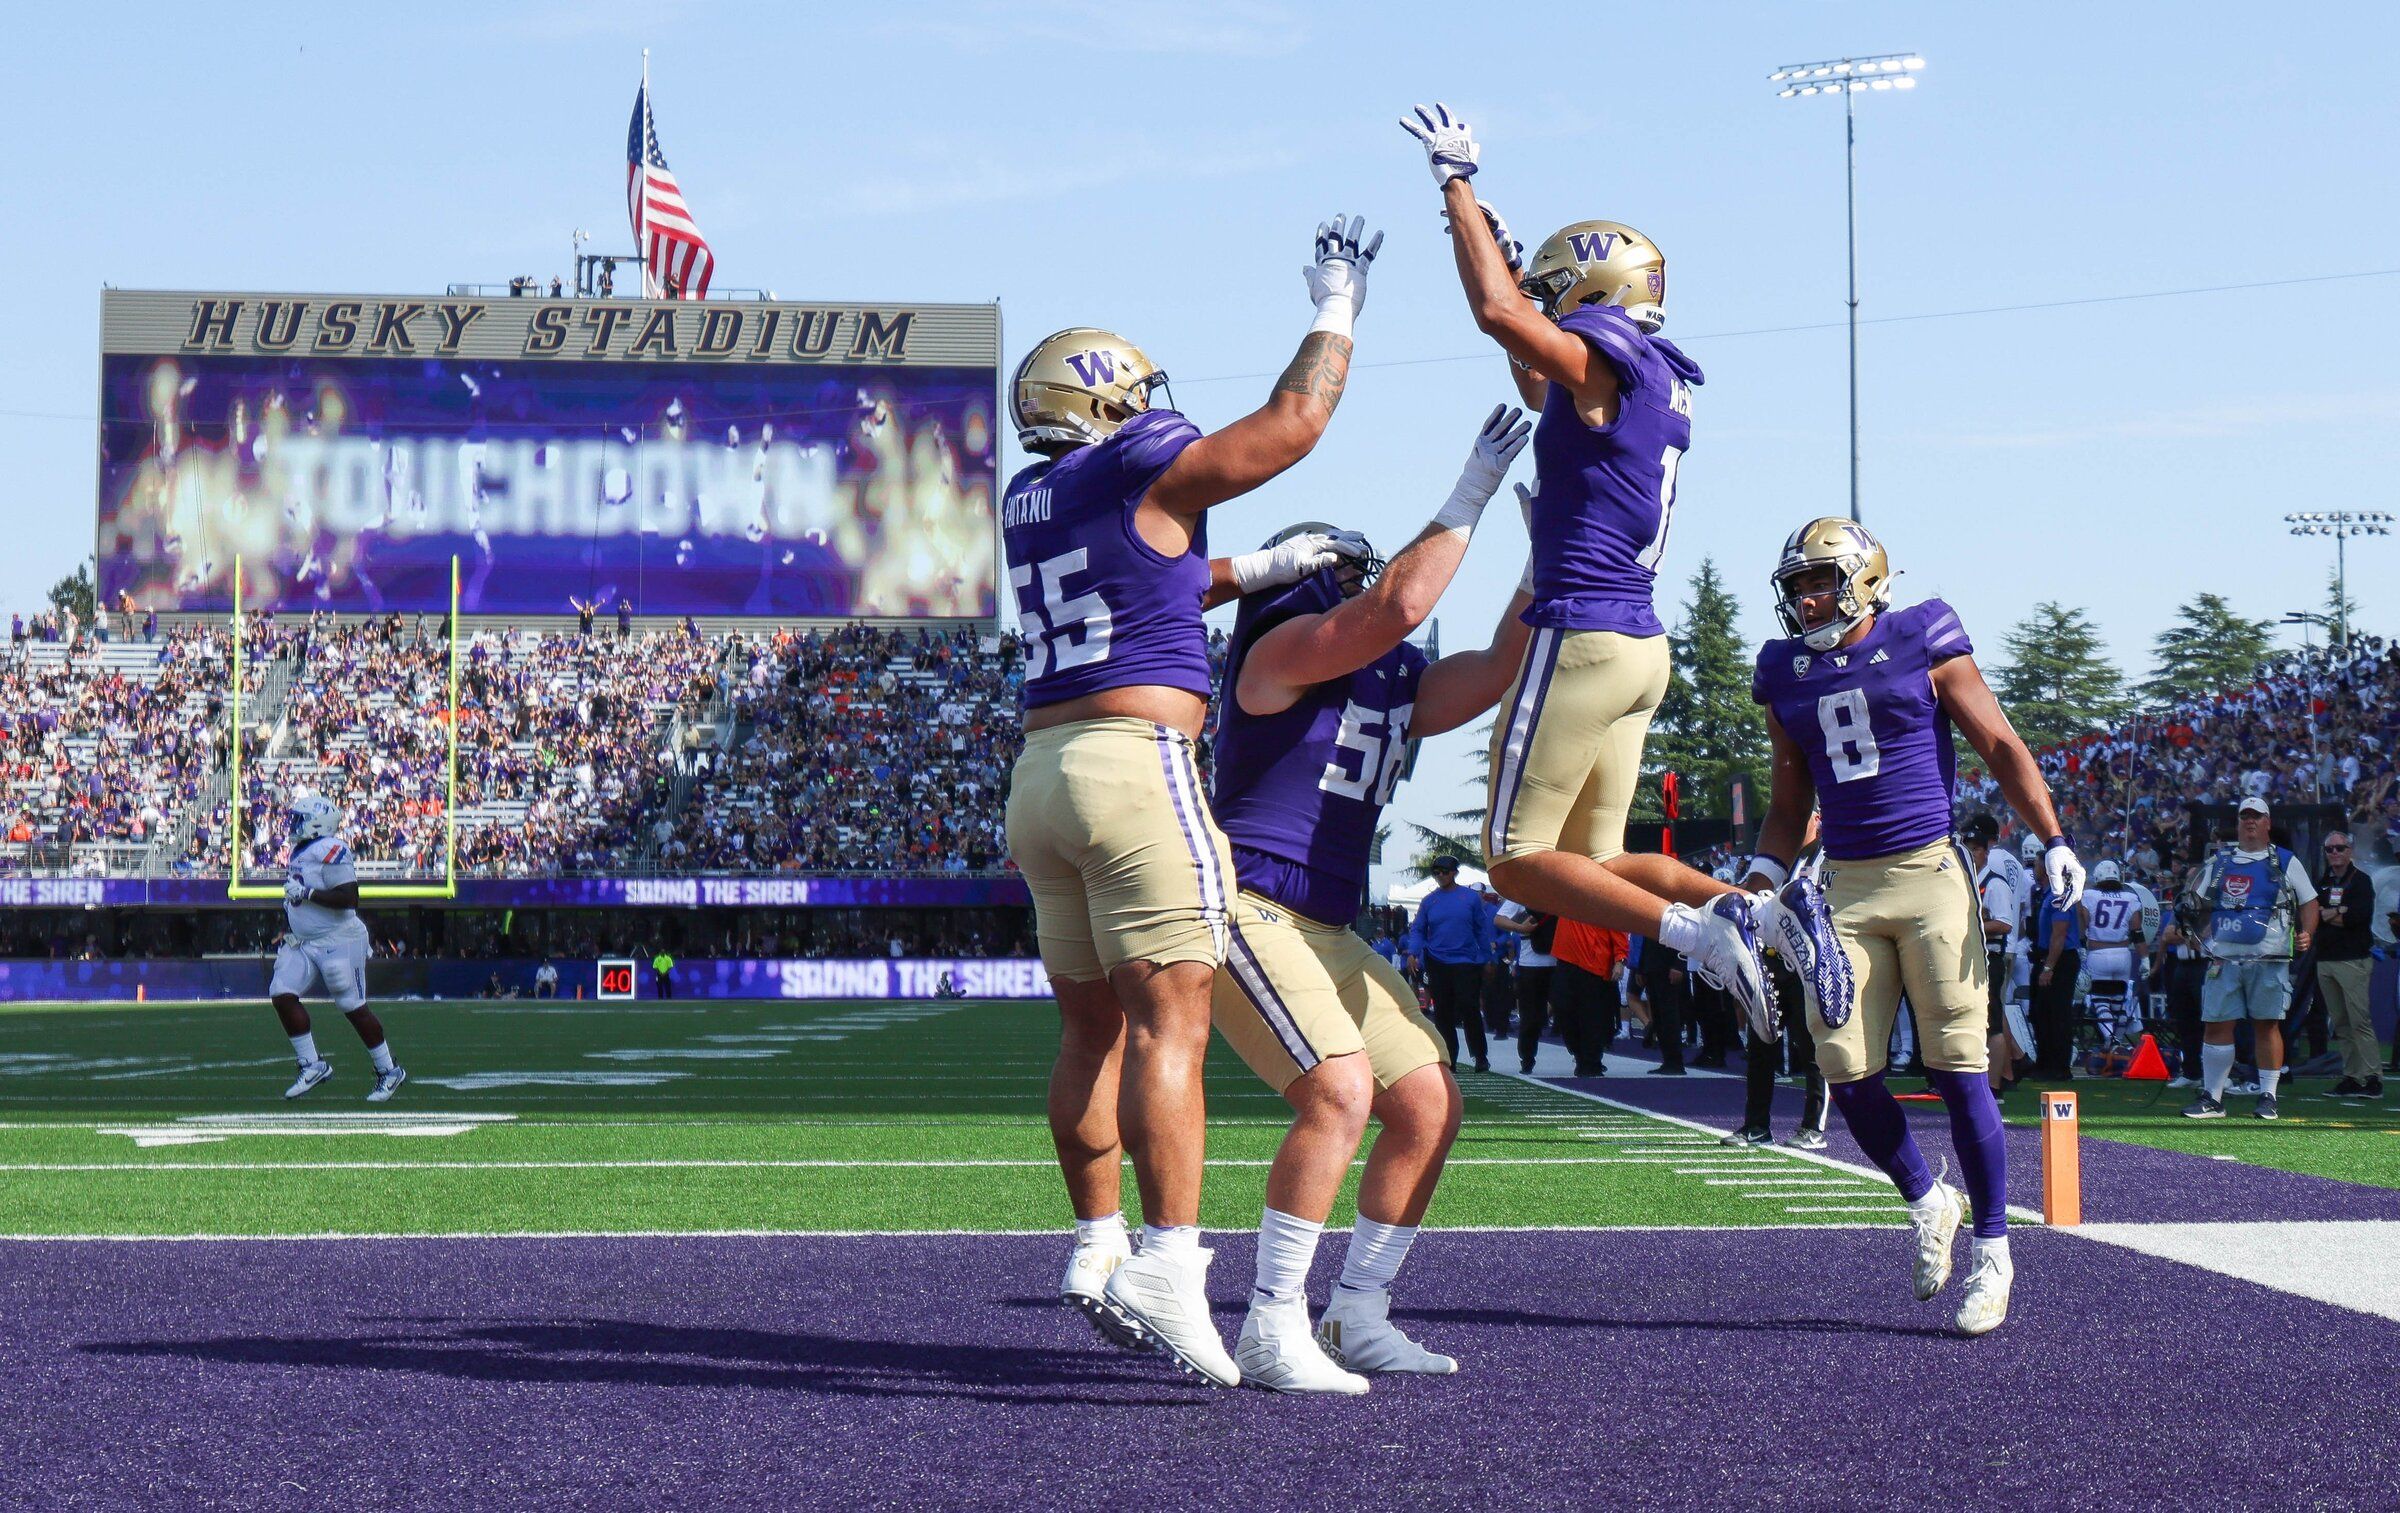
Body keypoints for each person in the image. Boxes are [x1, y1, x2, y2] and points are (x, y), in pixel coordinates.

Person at [1005, 215, 1384, 1389]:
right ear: (1108, 402)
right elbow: (1293, 427)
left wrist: (1261, 569)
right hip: (1137, 762)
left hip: (1042, 775)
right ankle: (1170, 1265)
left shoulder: (1032, 496)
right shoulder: (1132, 459)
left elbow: (1156, 573)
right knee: (1172, 1021)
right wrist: (1336, 306)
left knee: (1090, 1029)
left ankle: (1096, 1239)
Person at [1397, 100, 1786, 1027]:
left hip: (1581, 629)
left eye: (1563, 288)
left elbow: (1500, 313)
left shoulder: (1609, 358)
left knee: (1512, 858)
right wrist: (1483, 238)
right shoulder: (1655, 370)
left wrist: (1456, 181)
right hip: (1639, 647)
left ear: (1598, 295)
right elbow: (1530, 361)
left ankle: (1701, 934)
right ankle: (1752, 907)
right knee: (1596, 869)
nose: (1548, 299)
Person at [1205, 407, 1536, 1391]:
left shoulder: (1385, 678)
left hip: (1331, 924)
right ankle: (1272, 1323)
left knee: (1428, 1104)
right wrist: (1470, 488)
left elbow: (1492, 670)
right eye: (1339, 571)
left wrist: (1541, 567)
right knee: (1342, 1090)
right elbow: (1389, 609)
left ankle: (1358, 1312)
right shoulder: (1272, 658)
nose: (1360, 582)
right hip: (1249, 905)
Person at [1745, 517, 2085, 1337]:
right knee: (1845, 1066)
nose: (1808, 597)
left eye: (1820, 580)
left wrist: (2053, 836)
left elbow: (1999, 742)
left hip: (1930, 872)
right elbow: (1790, 803)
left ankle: (1995, 1252)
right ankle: (1929, 1201)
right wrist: (1756, 882)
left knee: (1959, 1067)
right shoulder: (1782, 669)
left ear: (1865, 578)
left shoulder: (1922, 631)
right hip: (1844, 884)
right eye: (1798, 586)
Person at [2182, 797, 2318, 1120]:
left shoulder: (2285, 861)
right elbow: (2194, 901)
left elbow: (2309, 901)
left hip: (2269, 956)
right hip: (2224, 956)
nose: (2250, 822)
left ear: (2268, 822)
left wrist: (2307, 933)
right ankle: (2213, 1098)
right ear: (2239, 822)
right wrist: (2191, 925)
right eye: (2245, 816)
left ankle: (2268, 1095)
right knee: (2216, 1025)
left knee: (2267, 1025)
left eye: (2257, 817)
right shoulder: (2220, 861)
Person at [270, 796, 406, 1103]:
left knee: (352, 1005)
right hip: (305, 941)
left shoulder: (332, 848)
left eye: (300, 819)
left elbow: (349, 897)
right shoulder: (302, 849)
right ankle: (312, 1064)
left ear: (318, 823)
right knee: (282, 993)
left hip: (338, 938)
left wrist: (307, 892)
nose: (293, 824)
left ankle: (388, 1070)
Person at [1404, 857, 1496, 1071]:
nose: (1440, 876)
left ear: (1454, 872)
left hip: (1466, 961)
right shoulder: (1429, 901)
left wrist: (1488, 958)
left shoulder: (1470, 899)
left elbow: (1481, 930)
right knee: (1443, 1012)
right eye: (1436, 872)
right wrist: (1413, 952)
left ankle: (1480, 1056)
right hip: (1438, 961)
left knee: (1469, 1008)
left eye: (1444, 872)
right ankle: (1449, 1058)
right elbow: (1418, 929)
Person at [2313, 830, 2383, 1099]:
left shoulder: (2361, 881)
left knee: (2359, 1020)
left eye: (2339, 848)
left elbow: (2358, 917)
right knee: (2341, 1023)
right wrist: (2338, 911)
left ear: (2349, 850)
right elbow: (2317, 913)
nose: (2334, 854)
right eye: (2329, 849)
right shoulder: (2323, 882)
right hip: (2326, 959)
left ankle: (2373, 1077)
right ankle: (2352, 1076)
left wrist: (2334, 913)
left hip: (2353, 958)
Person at [1963, 816, 2028, 1093]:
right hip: (1977, 955)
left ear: (1985, 851)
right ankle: (2009, 1072)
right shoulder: (1970, 878)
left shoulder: (1994, 882)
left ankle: (1995, 1084)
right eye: (1967, 847)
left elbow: (2004, 922)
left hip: (1993, 955)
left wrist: (1971, 924)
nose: (1970, 852)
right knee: (1984, 1019)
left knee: (1992, 1022)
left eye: (1975, 848)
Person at [2029, 867, 2088, 1080]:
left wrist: (2049, 967)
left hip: (2058, 959)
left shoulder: (2059, 894)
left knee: (2056, 1013)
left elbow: (2059, 934)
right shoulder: (2047, 893)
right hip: (2050, 956)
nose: (2034, 869)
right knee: (2041, 1012)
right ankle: (2045, 1062)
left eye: (2037, 865)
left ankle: (2058, 1066)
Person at [2081, 862, 2147, 1048]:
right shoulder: (2130, 897)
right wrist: (2145, 958)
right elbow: (2137, 931)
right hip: (2122, 954)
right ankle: (2116, 1042)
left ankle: (2110, 1039)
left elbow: (2082, 925)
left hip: (2098, 953)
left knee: (2100, 1000)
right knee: (2118, 1001)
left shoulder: (2089, 895)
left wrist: (2080, 948)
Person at [1494, 899, 1558, 1073]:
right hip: (1531, 964)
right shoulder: (1521, 895)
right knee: (1530, 1017)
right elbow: (1499, 919)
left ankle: (1582, 1056)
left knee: (1568, 1008)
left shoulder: (1560, 892)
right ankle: (1527, 1058)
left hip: (1561, 962)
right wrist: (1521, 928)